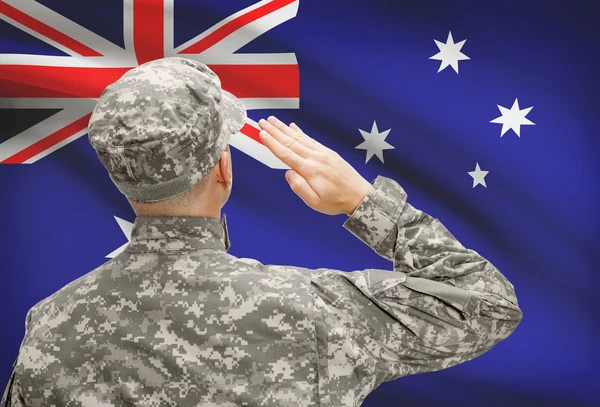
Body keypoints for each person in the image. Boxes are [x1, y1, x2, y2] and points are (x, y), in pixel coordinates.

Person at [1, 57, 523, 407]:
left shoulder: (50, 325)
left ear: (120, 175)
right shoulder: (317, 311)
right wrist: (366, 203)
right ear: (223, 168)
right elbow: (488, 304)